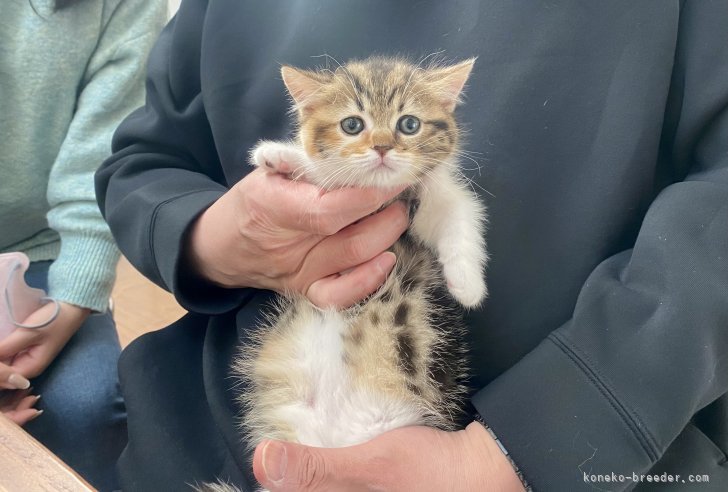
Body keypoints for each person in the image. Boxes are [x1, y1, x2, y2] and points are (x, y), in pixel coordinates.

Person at [96, 1, 728, 490]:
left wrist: (539, 444)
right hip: (218, 427)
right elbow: (146, 160)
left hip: (595, 452)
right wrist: (211, 239)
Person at [0, 0, 166, 489]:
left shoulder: (126, 9)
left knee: (86, 406)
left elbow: (98, 164)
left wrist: (73, 299)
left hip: (43, 249)